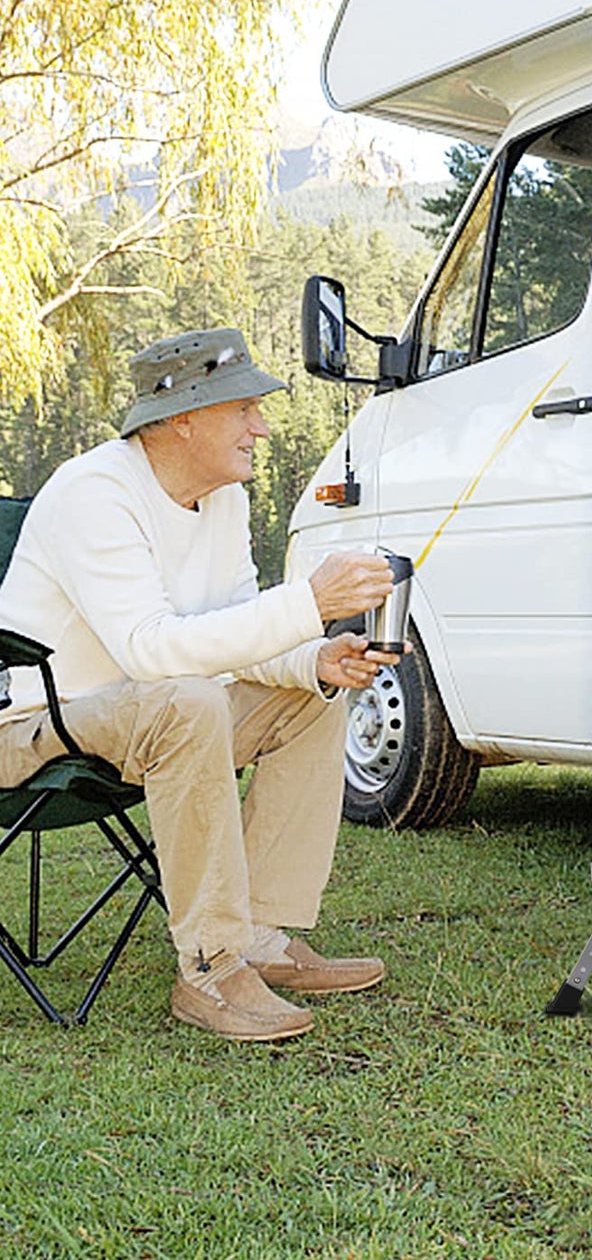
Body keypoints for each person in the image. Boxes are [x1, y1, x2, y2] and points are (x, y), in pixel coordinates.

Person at [0, 328, 401, 1041]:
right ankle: (210, 970)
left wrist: (310, 658)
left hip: (145, 718)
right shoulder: (93, 491)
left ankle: (256, 935)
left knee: (311, 695)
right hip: (32, 726)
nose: (262, 425)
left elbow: (232, 633)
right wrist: (307, 601)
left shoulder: (222, 499)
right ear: (182, 416)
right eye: (243, 407)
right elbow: (151, 652)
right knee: (187, 699)